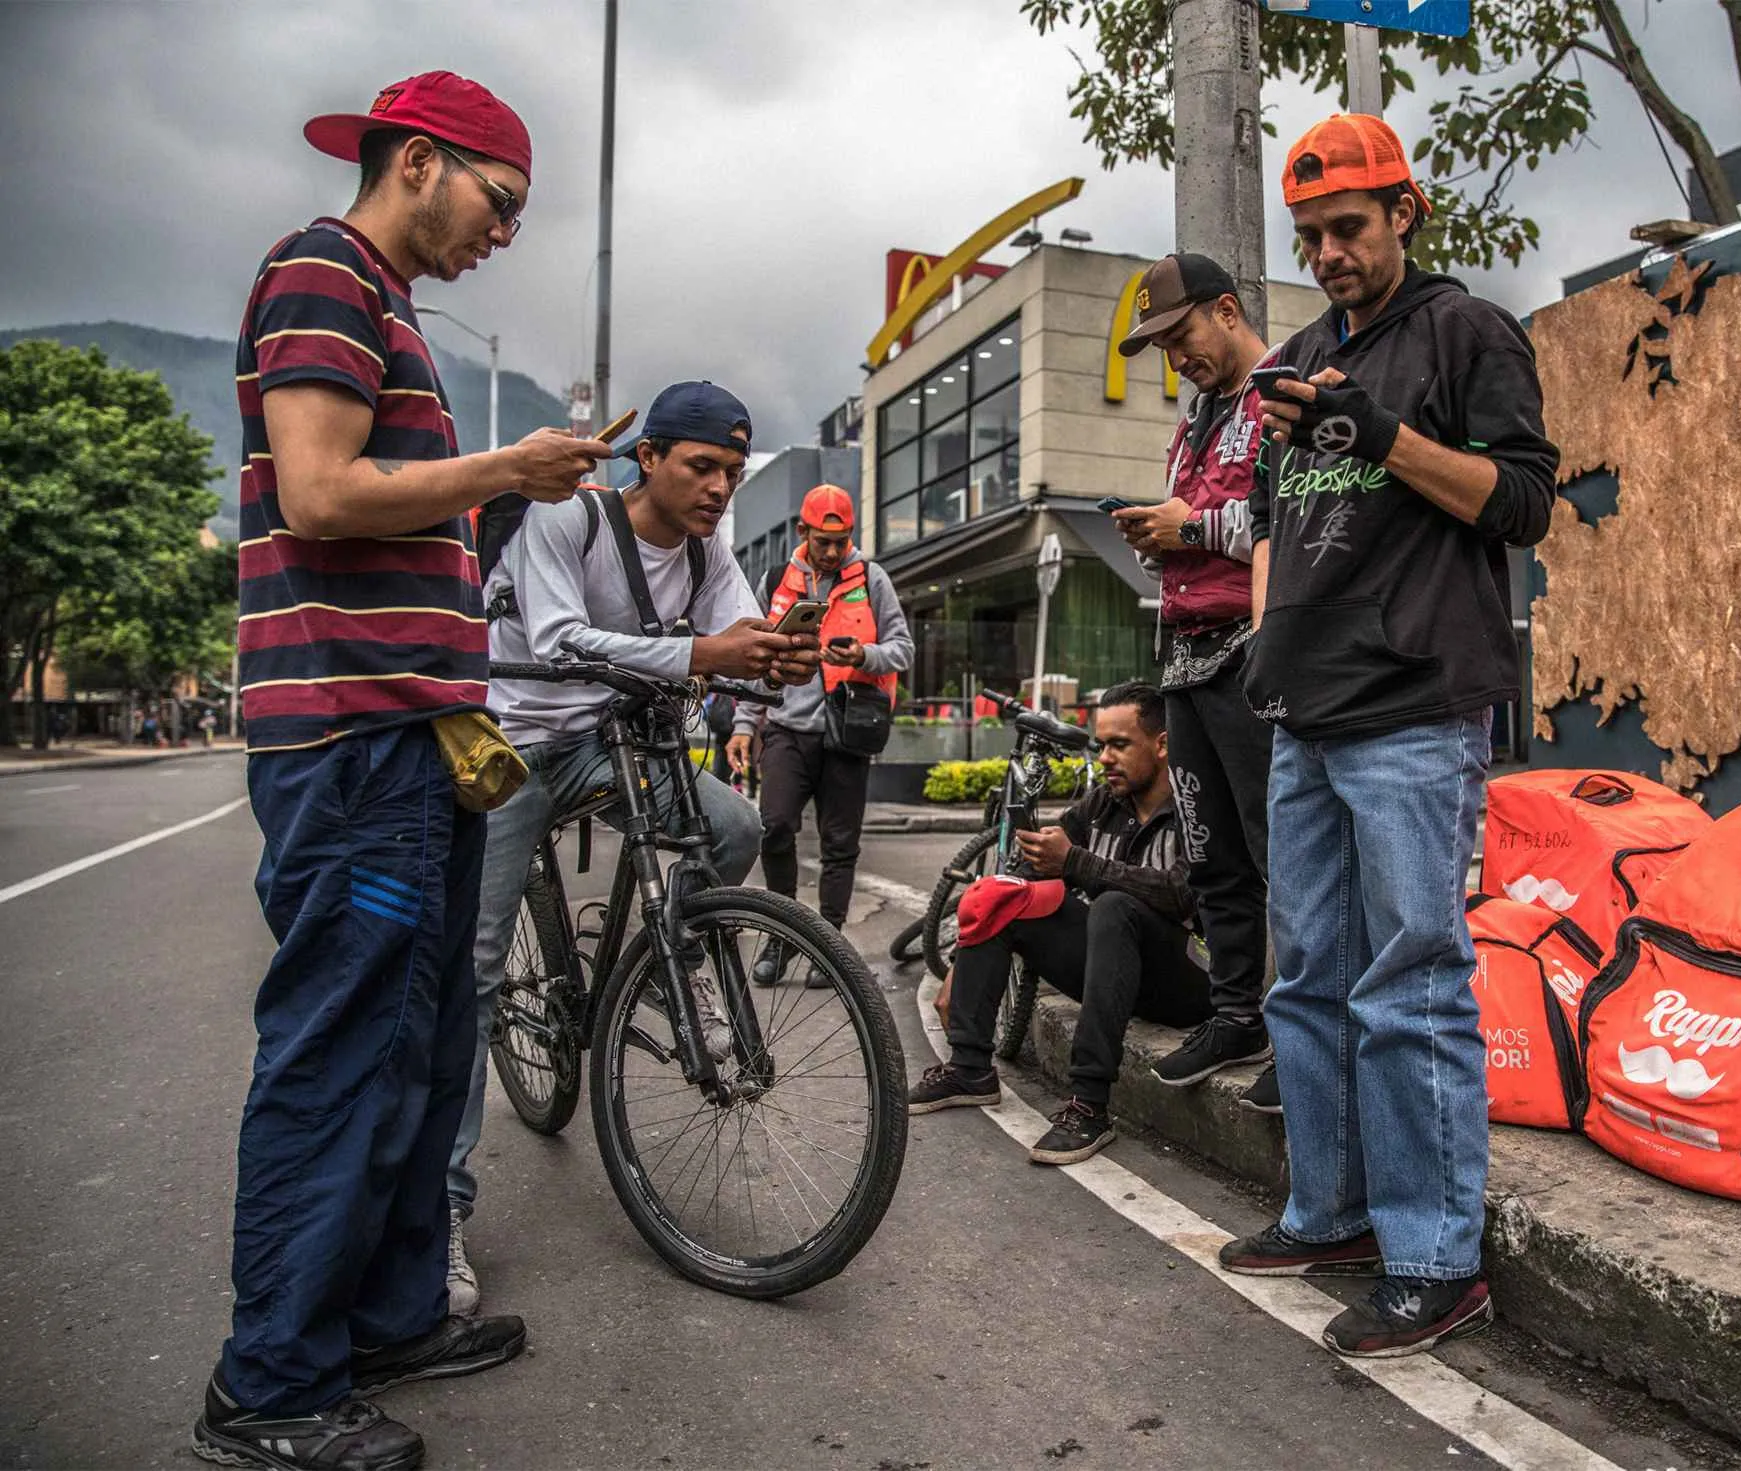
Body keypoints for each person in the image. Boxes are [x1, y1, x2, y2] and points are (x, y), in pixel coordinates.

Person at [205, 71, 615, 1471]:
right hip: (353, 739)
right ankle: (269, 1386)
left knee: (426, 1041)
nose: (503, 234)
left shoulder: (385, 312)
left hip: (419, 739)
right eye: (499, 204)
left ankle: (382, 1313)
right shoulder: (322, 272)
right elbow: (320, 492)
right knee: (340, 1047)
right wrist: (506, 469)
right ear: (422, 163)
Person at [1218, 114, 1559, 1360]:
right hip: (1301, 708)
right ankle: (1334, 1210)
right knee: (1305, 978)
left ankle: (1434, 1257)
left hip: (1415, 706)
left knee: (1410, 983)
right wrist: (1263, 647)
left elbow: (1523, 501)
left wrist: (1383, 435)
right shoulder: (1297, 357)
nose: (1328, 254)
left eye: (1348, 229)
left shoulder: (1467, 332)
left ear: (1406, 212)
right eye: (1308, 236)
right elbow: (1267, 520)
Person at [446, 380, 818, 1315]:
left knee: (732, 825)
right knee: (474, 971)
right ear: (648, 457)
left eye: (733, 471)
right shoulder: (566, 517)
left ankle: (651, 967)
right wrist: (707, 657)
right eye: (702, 465)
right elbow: (563, 638)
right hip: (517, 748)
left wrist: (778, 650)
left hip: (613, 745)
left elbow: (739, 633)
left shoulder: (708, 548)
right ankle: (440, 1210)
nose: (719, 487)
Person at [907, 682, 1206, 1166]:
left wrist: (1080, 865)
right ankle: (969, 1066)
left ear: (1163, 743)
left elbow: (1180, 894)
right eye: (1101, 744)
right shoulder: (1104, 802)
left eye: (1120, 744)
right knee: (1002, 894)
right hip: (1118, 968)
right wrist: (963, 961)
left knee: (1113, 905)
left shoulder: (1196, 805)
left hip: (1190, 977)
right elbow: (1031, 869)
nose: (1106, 757)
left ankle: (1089, 1105)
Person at [1110, 252, 1279, 1101]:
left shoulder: (1281, 393)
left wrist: (1194, 526)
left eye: (1181, 337)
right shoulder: (1196, 419)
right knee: (1212, 852)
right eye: (1165, 347)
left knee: (1278, 847)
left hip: (1252, 651)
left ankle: (1306, 1031)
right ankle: (1236, 1007)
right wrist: (1160, 537)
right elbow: (1205, 530)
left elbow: (1298, 523)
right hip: (1185, 651)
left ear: (1225, 309)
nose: (1178, 359)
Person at [733, 485, 912, 981]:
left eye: (842, 540)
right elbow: (756, 663)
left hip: (846, 732)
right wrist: (745, 725)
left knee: (840, 844)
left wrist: (864, 656)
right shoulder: (774, 580)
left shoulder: (872, 578)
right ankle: (784, 934)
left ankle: (827, 943)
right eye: (823, 540)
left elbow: (902, 648)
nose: (833, 551)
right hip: (787, 729)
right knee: (774, 827)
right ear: (803, 532)